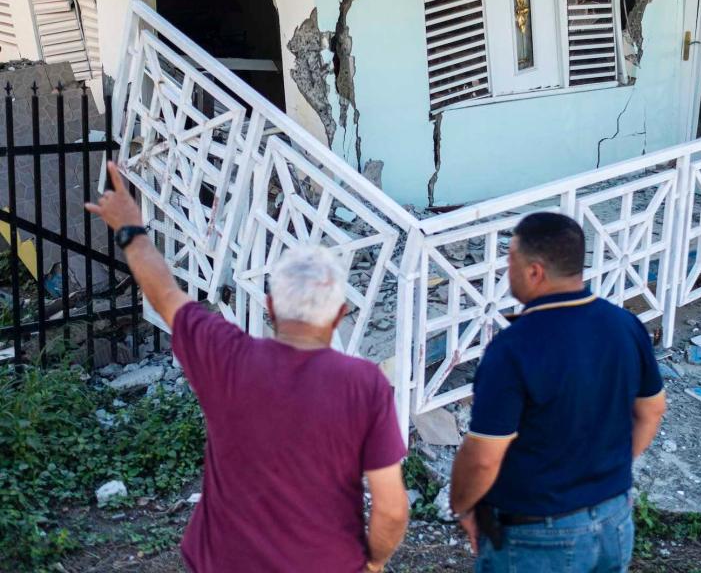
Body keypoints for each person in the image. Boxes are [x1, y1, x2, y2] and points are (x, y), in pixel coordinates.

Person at [86, 162, 409, 573]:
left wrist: (130, 229)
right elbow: (392, 509)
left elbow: (165, 294)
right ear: (340, 313)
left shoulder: (226, 356)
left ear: (271, 306)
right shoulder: (364, 385)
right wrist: (374, 562)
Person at [449, 212, 666, 572]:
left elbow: (484, 456)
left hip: (538, 535)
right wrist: (607, 474)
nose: (508, 274)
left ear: (534, 272)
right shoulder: (625, 325)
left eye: (511, 263)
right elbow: (652, 410)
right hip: (614, 518)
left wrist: (462, 506)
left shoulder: (513, 348)